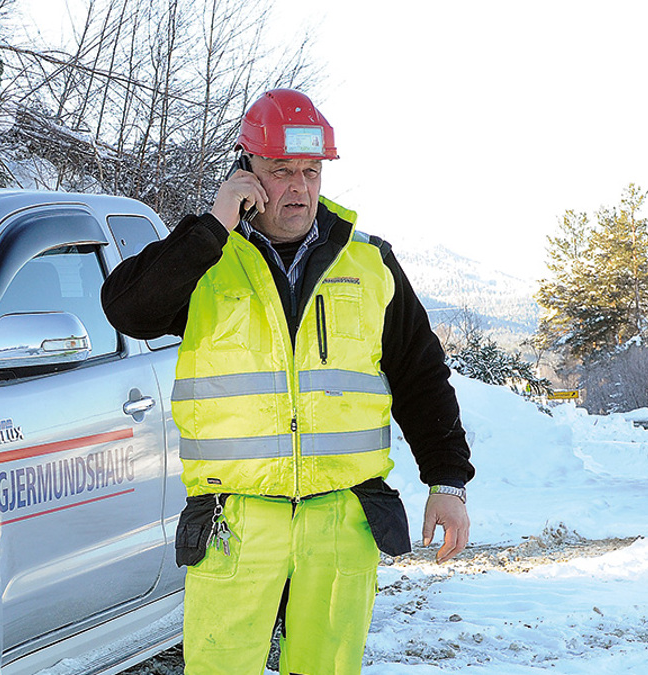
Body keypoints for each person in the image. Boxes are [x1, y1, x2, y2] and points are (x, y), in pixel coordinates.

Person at [101, 88, 474, 675]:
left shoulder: (369, 264)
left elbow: (421, 375)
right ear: (245, 171)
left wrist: (447, 481)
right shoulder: (205, 257)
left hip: (341, 519)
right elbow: (128, 309)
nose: (299, 188)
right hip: (235, 521)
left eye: (310, 171)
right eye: (281, 171)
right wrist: (211, 227)